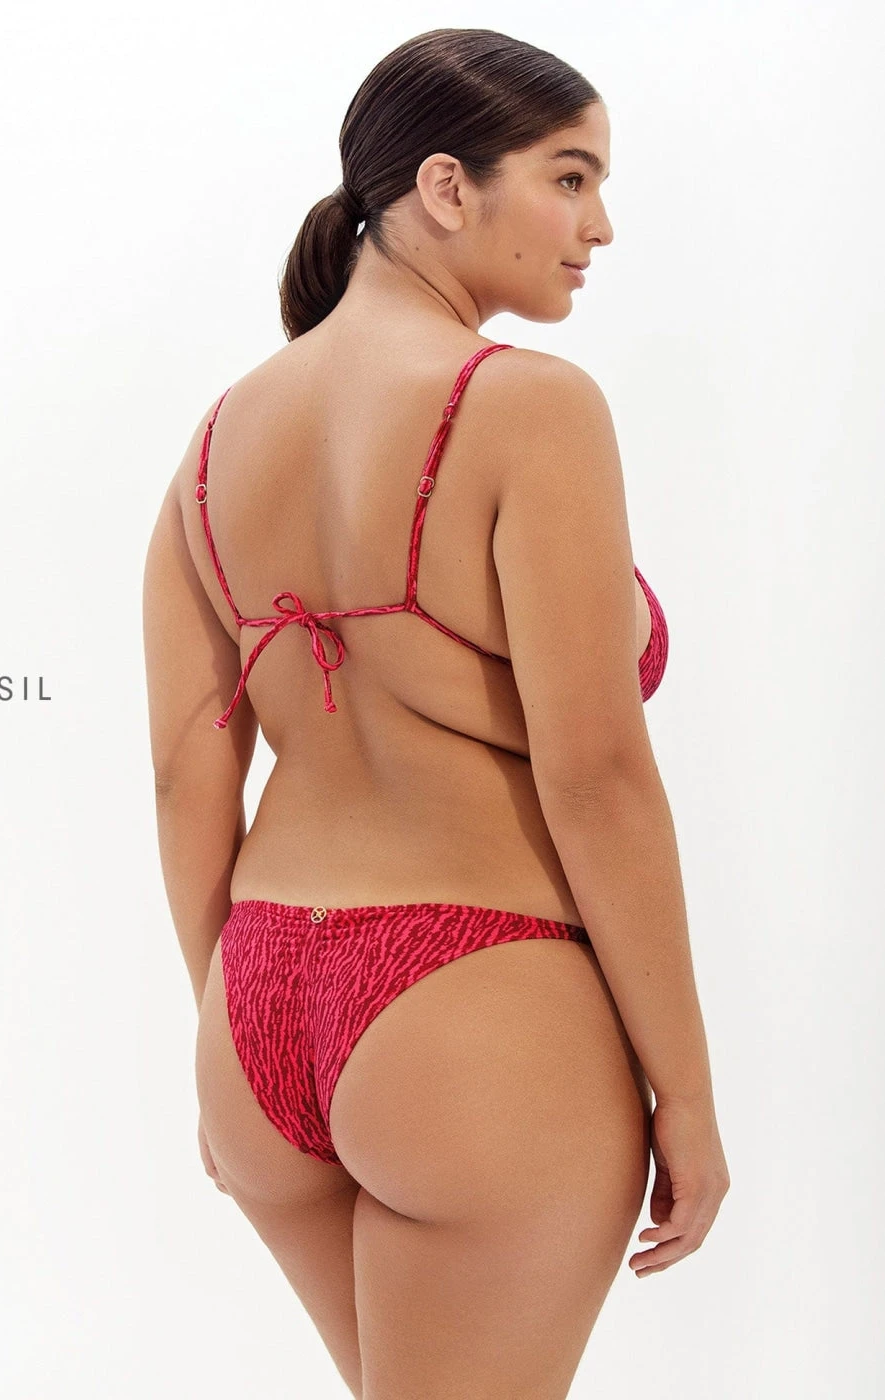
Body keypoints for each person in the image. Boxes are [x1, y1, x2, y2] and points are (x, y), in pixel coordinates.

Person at [143, 26, 729, 1400]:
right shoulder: (529, 409)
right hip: (473, 1002)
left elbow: (184, 773)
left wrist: (227, 1030)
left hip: (258, 1002)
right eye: (571, 178)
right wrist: (689, 1096)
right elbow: (596, 776)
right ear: (448, 186)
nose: (600, 226)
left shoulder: (214, 443)